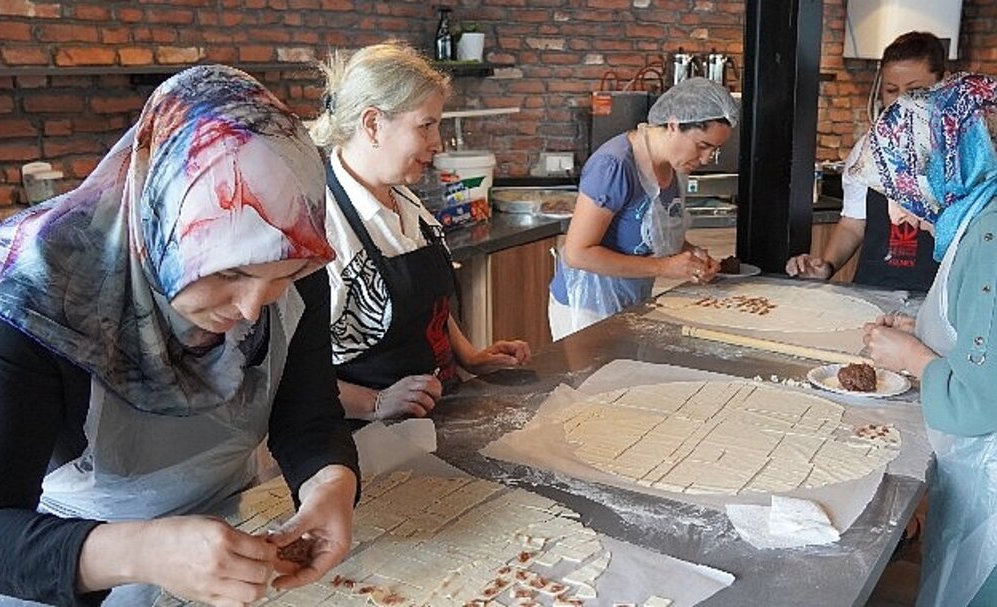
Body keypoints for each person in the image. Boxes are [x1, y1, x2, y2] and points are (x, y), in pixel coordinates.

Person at [0, 65, 360, 606]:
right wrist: (147, 553)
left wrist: (330, 490)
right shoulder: (28, 297)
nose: (252, 309)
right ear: (159, 226)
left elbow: (309, 417)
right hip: (63, 558)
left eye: (283, 277)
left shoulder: (290, 265)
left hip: (227, 528)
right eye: (229, 273)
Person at [307, 41, 530, 421]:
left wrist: (470, 356)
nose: (437, 142)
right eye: (426, 125)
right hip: (362, 437)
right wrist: (373, 403)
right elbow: (289, 372)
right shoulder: (318, 225)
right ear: (373, 123)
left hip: (437, 412)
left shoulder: (405, 200)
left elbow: (429, 304)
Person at [853, 73, 997, 607]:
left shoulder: (989, 240)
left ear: (932, 173)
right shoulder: (978, 217)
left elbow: (978, 404)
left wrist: (911, 357)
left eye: (898, 192)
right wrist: (925, 332)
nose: (896, 213)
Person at [548, 77, 739, 340]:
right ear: (673, 124)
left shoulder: (673, 167)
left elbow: (652, 234)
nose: (706, 159)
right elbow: (577, 253)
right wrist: (664, 267)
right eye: (702, 146)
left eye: (714, 150)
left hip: (631, 301)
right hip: (585, 308)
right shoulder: (613, 166)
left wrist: (690, 255)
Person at [786, 31, 947, 290]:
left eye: (916, 90)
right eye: (892, 90)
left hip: (939, 303)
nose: (903, 101)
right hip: (871, 294)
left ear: (943, 84)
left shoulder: (965, 154)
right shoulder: (868, 150)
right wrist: (826, 266)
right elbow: (853, 223)